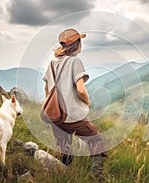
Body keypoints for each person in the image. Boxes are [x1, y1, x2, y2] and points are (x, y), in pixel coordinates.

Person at [43, 28, 106, 182]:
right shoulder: (75, 61)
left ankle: (63, 175)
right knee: (97, 141)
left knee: (64, 148)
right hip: (72, 114)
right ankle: (96, 177)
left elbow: (46, 88)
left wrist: (53, 108)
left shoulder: (52, 62)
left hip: (55, 115)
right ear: (77, 44)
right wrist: (87, 102)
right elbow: (81, 89)